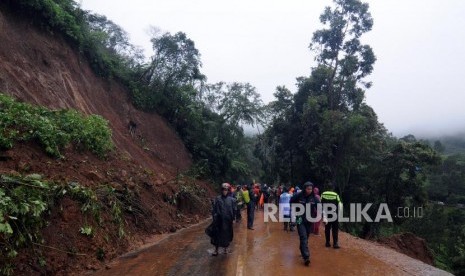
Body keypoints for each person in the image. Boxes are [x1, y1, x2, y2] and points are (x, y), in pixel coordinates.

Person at [291, 182, 320, 266]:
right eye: (308, 189)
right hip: (300, 218)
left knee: (306, 237)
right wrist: (294, 214)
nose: (309, 190)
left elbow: (320, 207)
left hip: (309, 220)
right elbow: (291, 202)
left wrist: (324, 216)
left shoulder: (314, 198)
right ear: (304, 189)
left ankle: (302, 249)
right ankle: (306, 257)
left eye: (311, 189)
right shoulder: (299, 196)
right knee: (303, 236)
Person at [211, 183, 235, 256]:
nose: (225, 191)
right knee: (217, 235)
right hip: (219, 221)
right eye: (223, 190)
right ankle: (216, 250)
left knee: (226, 235)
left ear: (228, 191)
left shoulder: (231, 200)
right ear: (221, 190)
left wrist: (233, 219)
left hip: (227, 221)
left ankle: (225, 249)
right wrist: (214, 218)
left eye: (226, 190)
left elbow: (233, 210)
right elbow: (214, 210)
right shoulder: (218, 199)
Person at [321, 183, 342, 249]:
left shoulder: (323, 194)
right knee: (335, 229)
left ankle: (327, 242)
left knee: (327, 228)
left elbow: (320, 203)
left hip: (326, 214)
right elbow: (340, 204)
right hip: (334, 214)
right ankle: (335, 243)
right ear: (333, 188)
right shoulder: (336, 195)